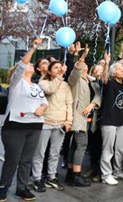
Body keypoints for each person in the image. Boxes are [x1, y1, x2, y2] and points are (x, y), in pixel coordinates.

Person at [0, 37, 48, 202]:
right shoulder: (16, 82)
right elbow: (23, 65)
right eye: (29, 64)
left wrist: (43, 107)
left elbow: (44, 101)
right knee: (13, 159)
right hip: (15, 126)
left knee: (27, 160)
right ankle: (3, 188)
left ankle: (22, 188)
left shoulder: (36, 85)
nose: (31, 65)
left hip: (35, 126)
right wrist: (33, 48)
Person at [33, 60, 73, 192]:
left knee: (55, 153)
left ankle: (51, 177)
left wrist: (69, 121)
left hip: (60, 124)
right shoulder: (43, 83)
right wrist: (60, 77)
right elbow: (51, 89)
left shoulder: (66, 85)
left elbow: (69, 104)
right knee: (40, 152)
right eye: (56, 68)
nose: (59, 69)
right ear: (49, 71)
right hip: (45, 122)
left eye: (60, 68)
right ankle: (37, 178)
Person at [99, 52, 123, 186]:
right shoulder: (109, 83)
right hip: (109, 122)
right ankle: (106, 174)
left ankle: (117, 170)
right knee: (108, 149)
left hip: (121, 122)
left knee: (120, 149)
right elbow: (104, 79)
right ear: (113, 73)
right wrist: (106, 63)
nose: (122, 71)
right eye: (120, 69)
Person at [65, 43, 101, 187]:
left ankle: (70, 173)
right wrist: (81, 57)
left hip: (89, 119)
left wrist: (92, 104)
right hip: (78, 117)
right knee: (81, 144)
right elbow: (74, 72)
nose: (84, 64)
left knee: (74, 145)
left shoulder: (93, 81)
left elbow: (99, 95)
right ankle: (76, 176)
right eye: (82, 63)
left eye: (85, 62)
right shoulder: (75, 80)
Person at [87, 63, 104, 182]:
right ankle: (93, 168)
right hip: (93, 118)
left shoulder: (105, 83)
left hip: (105, 117)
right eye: (96, 69)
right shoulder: (90, 84)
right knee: (94, 144)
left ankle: (100, 171)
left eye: (101, 69)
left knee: (103, 146)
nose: (98, 70)